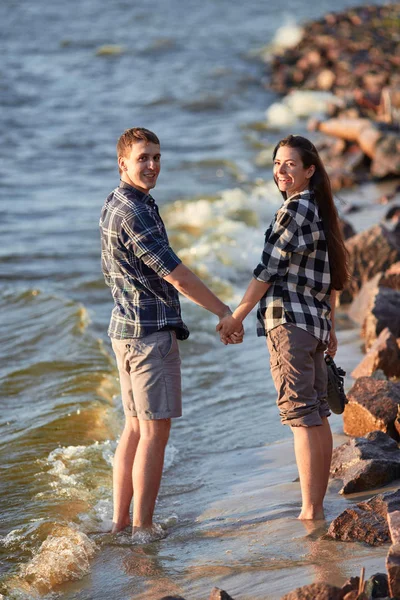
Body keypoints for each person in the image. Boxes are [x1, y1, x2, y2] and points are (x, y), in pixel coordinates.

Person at [100, 127, 243, 539]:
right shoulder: (135, 211)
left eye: (157, 157)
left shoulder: (116, 201)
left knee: (134, 427)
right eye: (143, 157)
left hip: (124, 330)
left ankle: (119, 523)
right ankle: (142, 528)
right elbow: (177, 275)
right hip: (147, 337)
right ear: (123, 162)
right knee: (154, 431)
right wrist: (223, 311)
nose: (152, 165)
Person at [217, 135, 349, 520]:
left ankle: (310, 509)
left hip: (289, 324)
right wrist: (331, 327)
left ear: (310, 170)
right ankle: (316, 505)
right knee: (318, 414)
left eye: (290, 164)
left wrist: (236, 316)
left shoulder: (294, 210)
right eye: (277, 164)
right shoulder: (319, 210)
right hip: (312, 324)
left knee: (302, 417)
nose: (281, 170)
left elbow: (267, 271)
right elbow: (332, 278)